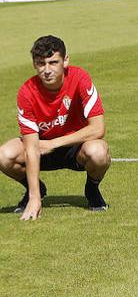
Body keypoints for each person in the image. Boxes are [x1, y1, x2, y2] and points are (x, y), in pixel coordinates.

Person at [0, 35, 110, 219]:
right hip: (40, 148)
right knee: (3, 155)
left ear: (65, 60)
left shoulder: (80, 78)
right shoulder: (27, 92)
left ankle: (92, 189)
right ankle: (34, 190)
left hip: (75, 147)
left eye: (53, 62)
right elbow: (31, 147)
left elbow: (98, 128)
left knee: (99, 152)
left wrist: (54, 143)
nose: (47, 70)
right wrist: (35, 198)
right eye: (41, 64)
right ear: (34, 64)